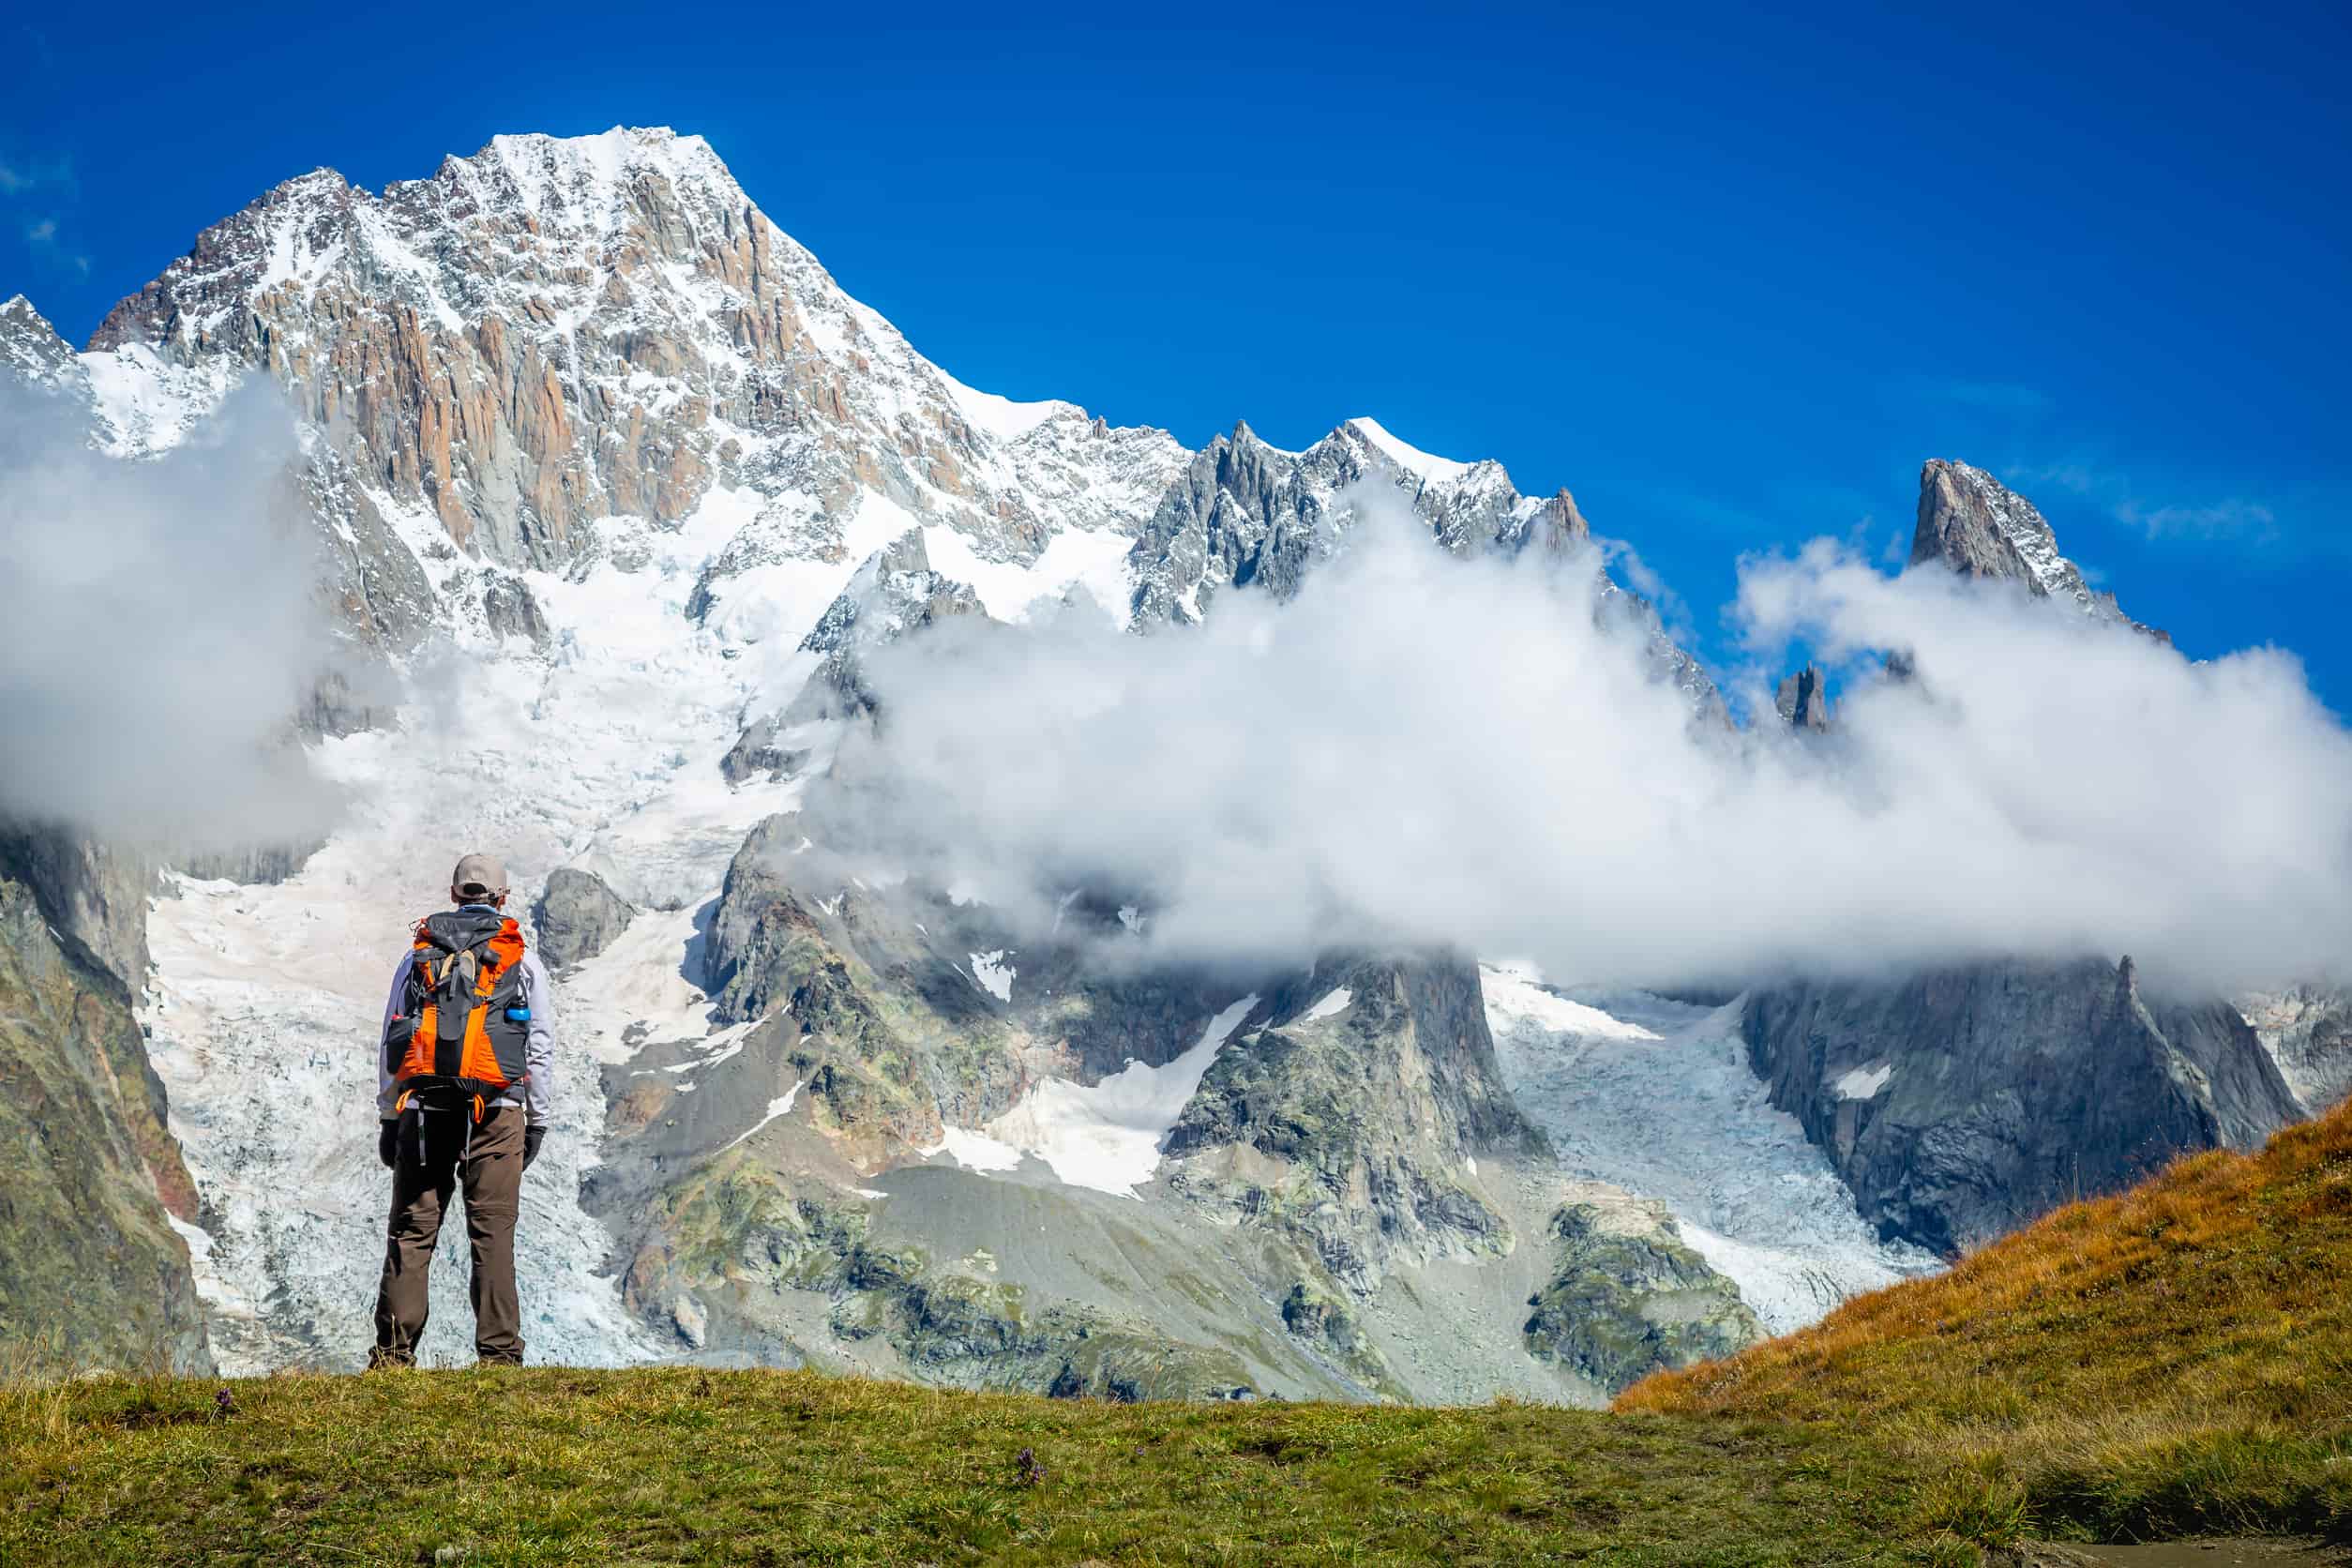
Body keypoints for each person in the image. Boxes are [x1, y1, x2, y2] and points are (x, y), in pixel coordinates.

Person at [368, 852, 554, 1368]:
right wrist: (535, 1119)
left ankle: (392, 1357)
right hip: (496, 1110)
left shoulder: (418, 957)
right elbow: (538, 1048)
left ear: (454, 894)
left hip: (425, 1109)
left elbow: (394, 1036)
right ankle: (498, 1357)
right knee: (492, 1234)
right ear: (503, 898)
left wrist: (390, 1115)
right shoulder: (522, 960)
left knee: (412, 1230)